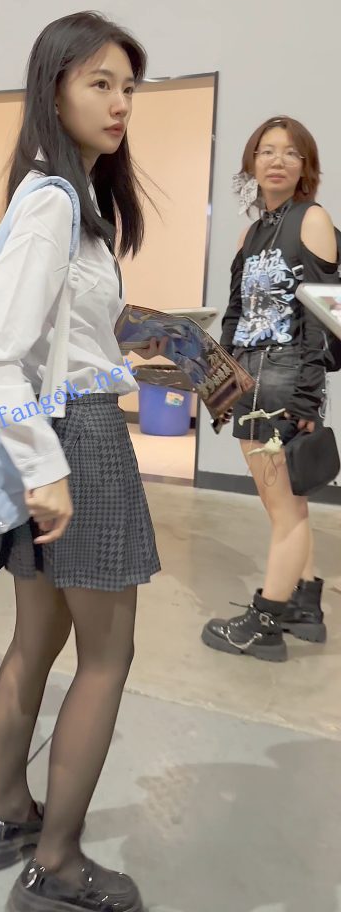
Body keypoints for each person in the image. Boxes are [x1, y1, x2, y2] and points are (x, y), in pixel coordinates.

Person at [0, 11, 163, 912]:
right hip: (72, 443)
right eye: (100, 83)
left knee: (36, 641)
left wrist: (128, 358)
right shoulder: (52, 203)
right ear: (55, 90)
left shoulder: (62, 196)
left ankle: (10, 817)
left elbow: (50, 343)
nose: (119, 103)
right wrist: (46, 468)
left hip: (52, 431)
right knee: (107, 656)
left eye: (128, 87)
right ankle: (60, 863)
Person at [202, 116, 339, 663]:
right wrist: (220, 374)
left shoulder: (312, 219)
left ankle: (265, 624)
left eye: (290, 152)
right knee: (285, 502)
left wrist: (306, 399)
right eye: (266, 151)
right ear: (252, 163)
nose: (276, 160)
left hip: (286, 375)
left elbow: (324, 315)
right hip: (249, 375)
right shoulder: (252, 233)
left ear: (306, 166)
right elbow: (236, 312)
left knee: (285, 510)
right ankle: (304, 604)